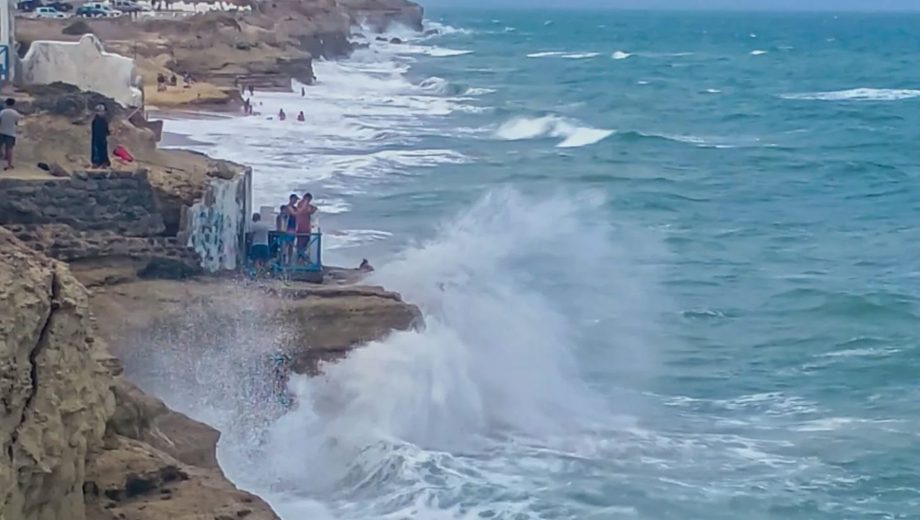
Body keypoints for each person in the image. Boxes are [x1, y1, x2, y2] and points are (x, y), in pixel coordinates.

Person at [293, 193, 317, 257]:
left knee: (306, 241)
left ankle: (302, 256)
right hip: (301, 225)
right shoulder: (301, 204)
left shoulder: (306, 205)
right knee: (301, 242)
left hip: (306, 226)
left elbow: (312, 210)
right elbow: (306, 210)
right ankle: (299, 256)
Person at [0, 98, 21, 171]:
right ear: (14, 104)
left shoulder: (2, 112)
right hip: (11, 132)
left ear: (6, 103)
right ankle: (9, 164)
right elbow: (16, 123)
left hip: (1, 131)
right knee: (9, 148)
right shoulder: (16, 113)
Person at [91, 105, 110, 169]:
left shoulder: (104, 121)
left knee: (103, 150)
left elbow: (106, 130)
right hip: (97, 139)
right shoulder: (95, 121)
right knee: (96, 150)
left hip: (103, 139)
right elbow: (96, 131)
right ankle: (96, 163)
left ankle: (104, 162)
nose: (102, 113)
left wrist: (108, 133)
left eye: (103, 112)